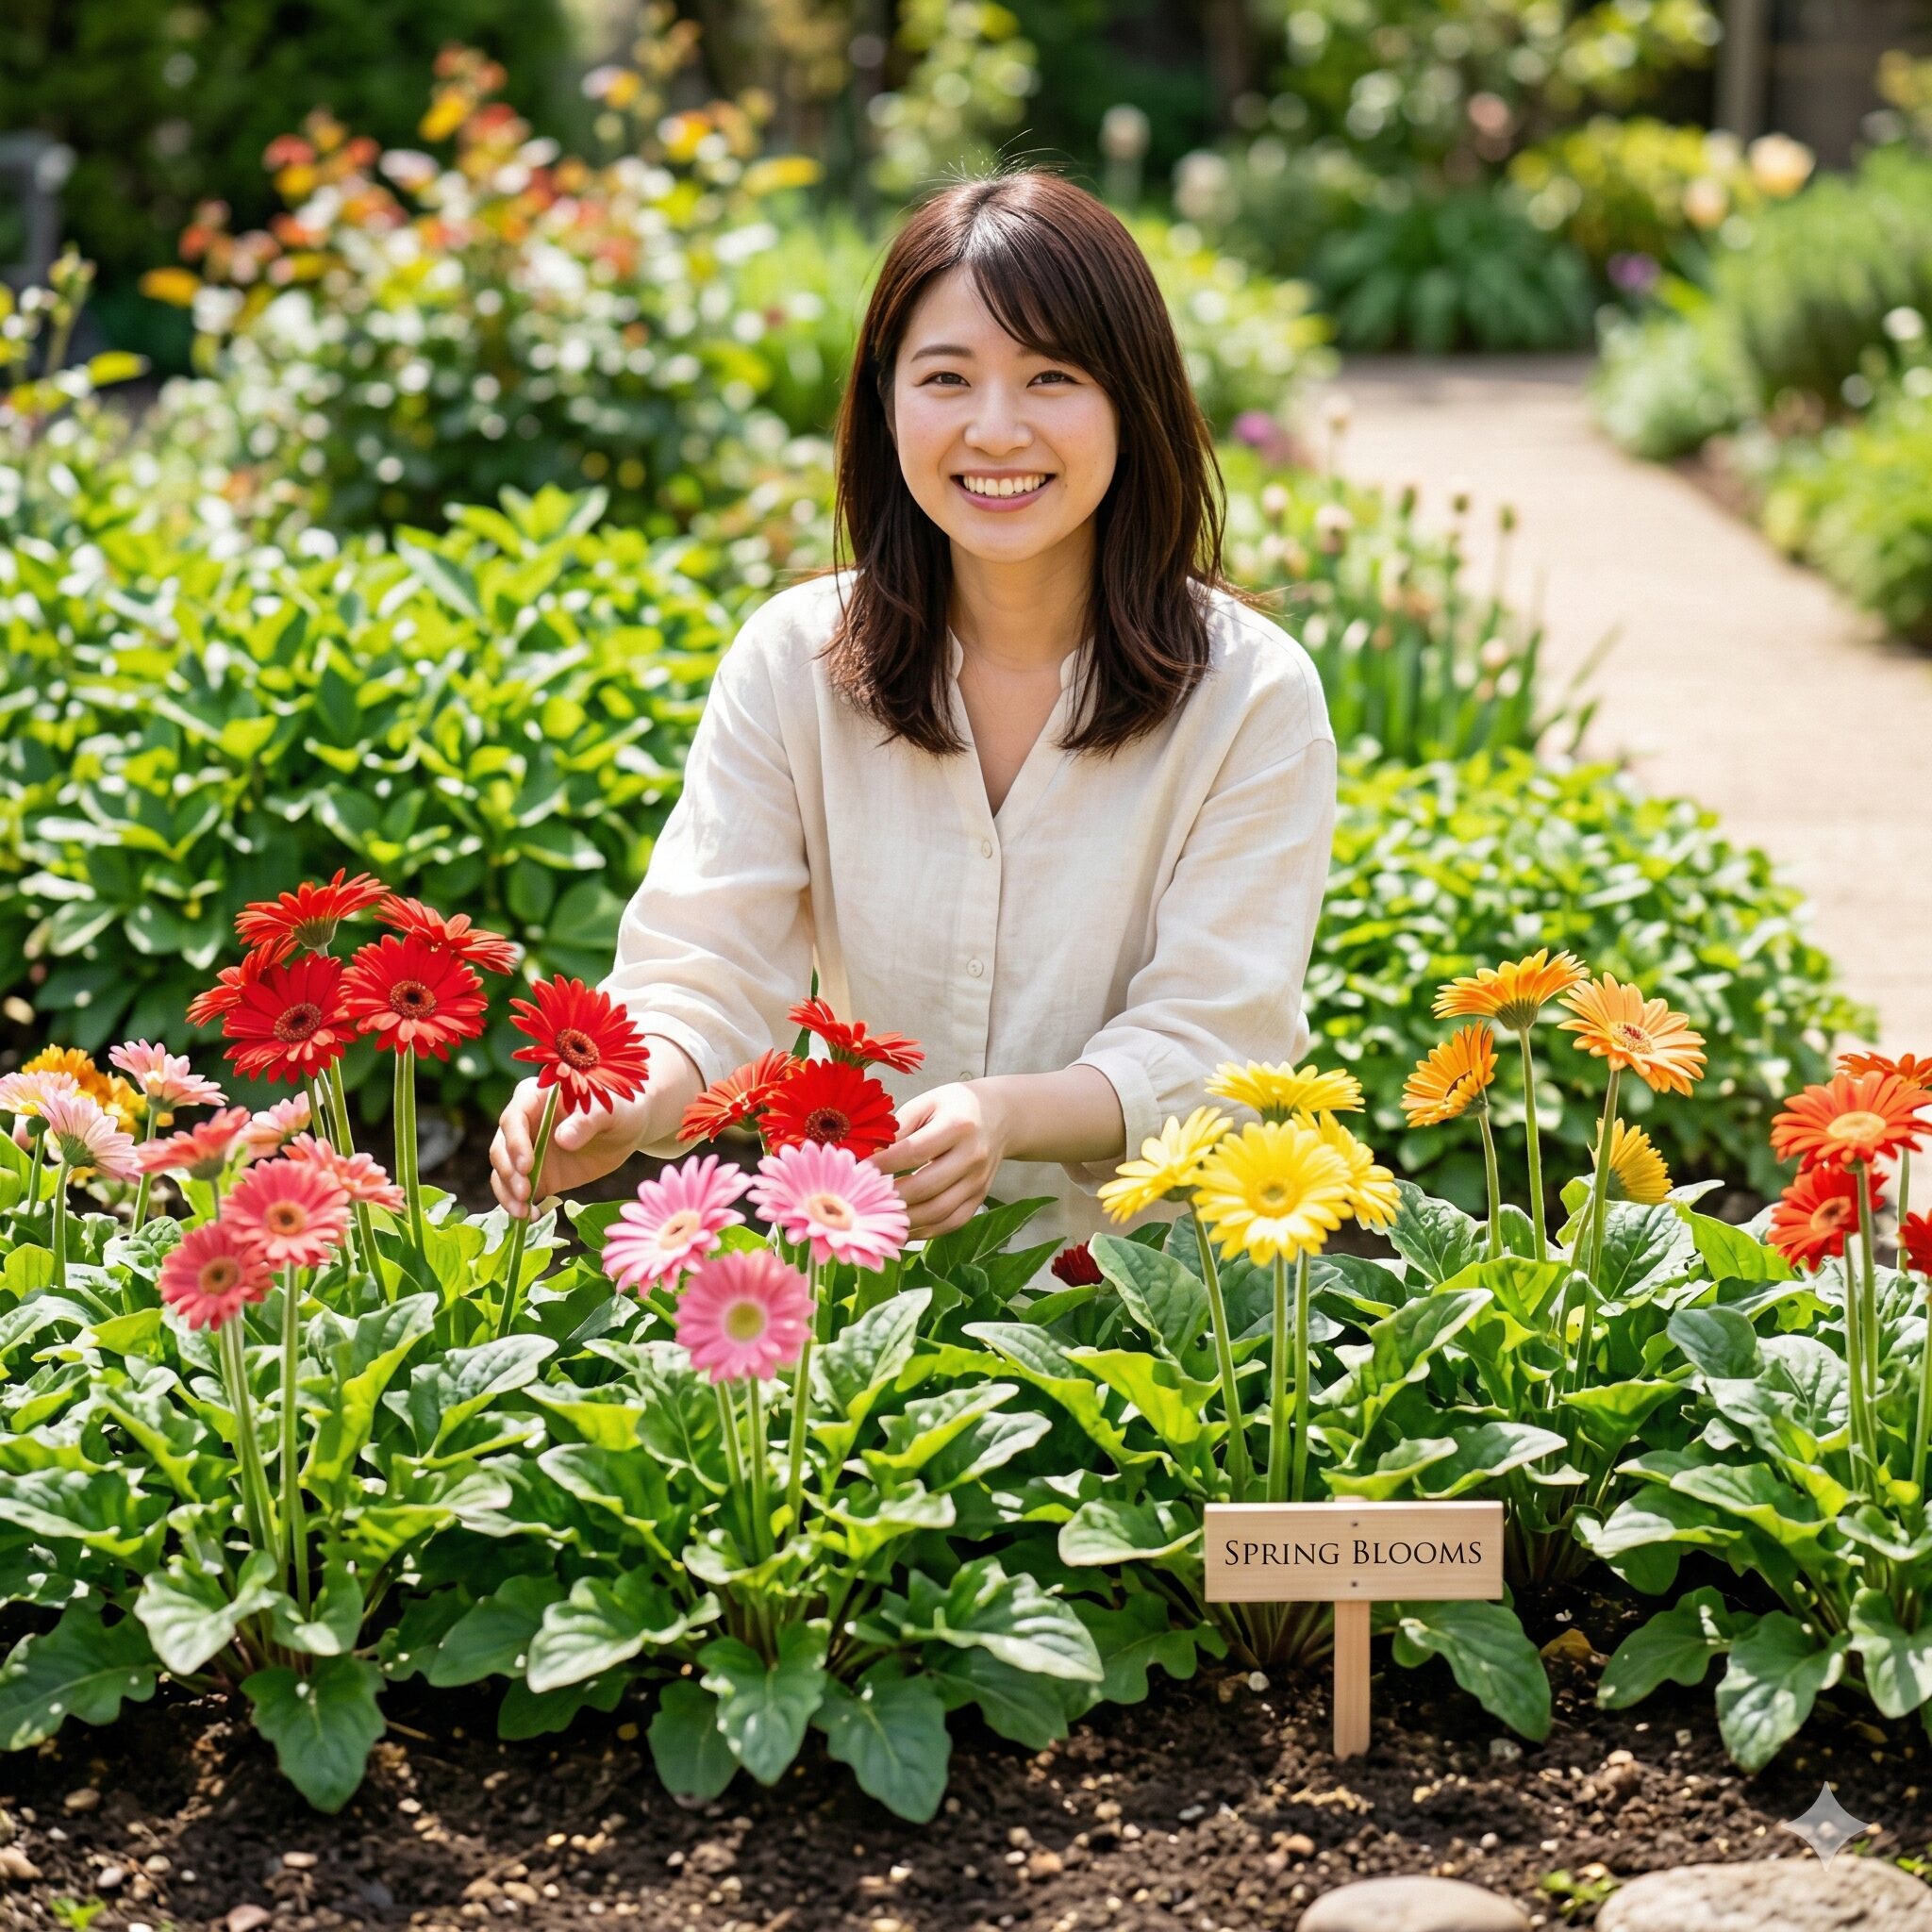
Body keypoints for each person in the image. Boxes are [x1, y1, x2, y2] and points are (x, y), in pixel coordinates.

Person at [491, 167, 1338, 1251]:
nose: (994, 429)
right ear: (885, 401)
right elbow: (705, 967)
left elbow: (1216, 1040)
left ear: (1133, 398)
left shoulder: (1250, 693)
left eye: (1051, 377)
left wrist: (1005, 1113)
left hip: (1155, 1317)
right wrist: (623, 1098)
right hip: (854, 1298)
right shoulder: (792, 660)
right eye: (946, 377)